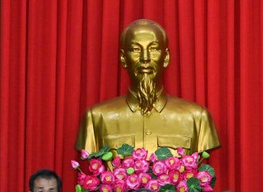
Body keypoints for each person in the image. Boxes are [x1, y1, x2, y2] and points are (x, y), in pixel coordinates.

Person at [76, 19, 219, 154]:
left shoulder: (197, 118)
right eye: (136, 50)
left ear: (166, 57)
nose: (145, 58)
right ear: (123, 58)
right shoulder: (96, 118)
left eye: (154, 49)